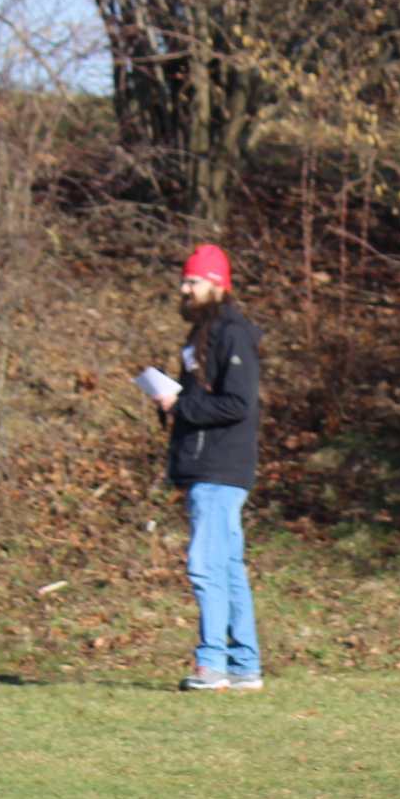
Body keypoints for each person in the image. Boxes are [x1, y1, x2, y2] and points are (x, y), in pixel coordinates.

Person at [149, 244, 264, 692]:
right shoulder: (203, 335)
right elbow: (207, 399)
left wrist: (182, 404)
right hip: (209, 467)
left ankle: (212, 663)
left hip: (220, 468)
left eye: (193, 281)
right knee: (228, 567)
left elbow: (237, 403)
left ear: (217, 284)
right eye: (184, 281)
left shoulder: (232, 334)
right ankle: (244, 665)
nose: (185, 289)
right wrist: (173, 403)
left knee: (205, 566)